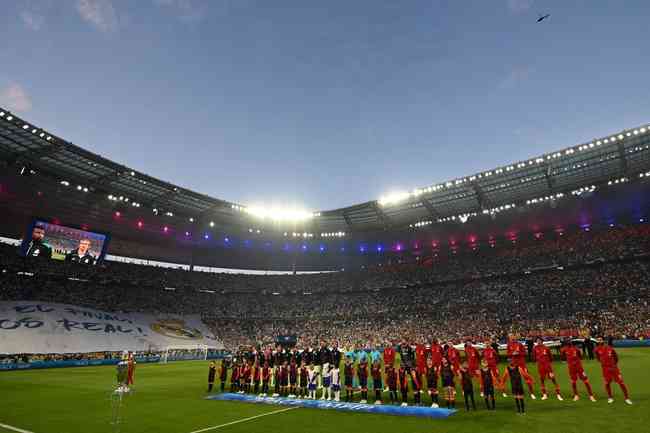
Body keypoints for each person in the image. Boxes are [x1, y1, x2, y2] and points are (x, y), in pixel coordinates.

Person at [594, 337, 632, 405]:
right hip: (605, 369)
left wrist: (613, 364)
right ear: (597, 341)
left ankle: (627, 398)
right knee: (607, 383)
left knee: (621, 383)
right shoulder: (596, 349)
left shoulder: (610, 348)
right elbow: (598, 358)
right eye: (598, 340)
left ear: (603, 340)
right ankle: (610, 397)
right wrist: (603, 363)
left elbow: (616, 357)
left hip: (614, 368)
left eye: (600, 339)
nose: (599, 341)